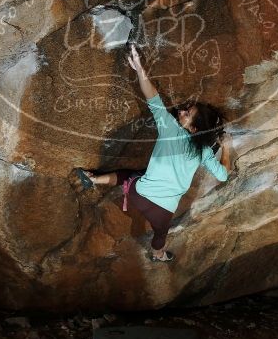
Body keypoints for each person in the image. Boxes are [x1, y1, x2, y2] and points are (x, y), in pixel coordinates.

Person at [78, 45, 232, 262]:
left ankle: (94, 179)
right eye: (186, 108)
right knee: (161, 234)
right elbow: (224, 175)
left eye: (187, 114)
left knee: (127, 175)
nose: (181, 111)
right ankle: (158, 255)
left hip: (138, 194)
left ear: (193, 128)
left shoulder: (170, 129)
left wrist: (140, 70)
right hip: (164, 210)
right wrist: (226, 148)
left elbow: (154, 99)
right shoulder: (205, 151)